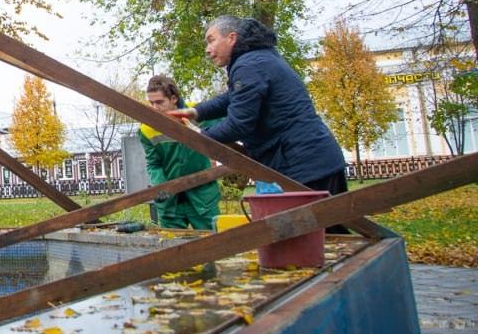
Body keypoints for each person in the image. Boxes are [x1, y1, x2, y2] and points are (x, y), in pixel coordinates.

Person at [170, 15, 349, 197]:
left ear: (231, 38)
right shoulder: (258, 59)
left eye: (211, 41)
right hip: (315, 160)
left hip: (305, 165)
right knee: (330, 224)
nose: (207, 50)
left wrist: (201, 135)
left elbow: (238, 125)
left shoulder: (248, 66)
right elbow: (231, 97)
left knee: (315, 225)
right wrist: (197, 111)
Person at [138, 73, 221, 230]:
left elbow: (230, 124)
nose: (155, 108)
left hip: (202, 195)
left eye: (159, 102)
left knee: (216, 245)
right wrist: (162, 187)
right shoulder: (146, 129)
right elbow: (154, 164)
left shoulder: (198, 113)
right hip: (171, 202)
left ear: (173, 98)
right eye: (151, 103)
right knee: (171, 246)